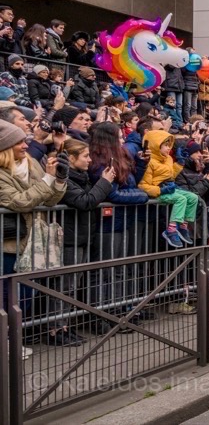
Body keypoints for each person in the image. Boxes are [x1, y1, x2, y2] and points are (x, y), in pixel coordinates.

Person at [0, 120, 72, 344]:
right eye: (20, 142)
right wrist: (47, 180)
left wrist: (59, 179)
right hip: (9, 243)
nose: (25, 145)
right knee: (6, 298)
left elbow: (49, 201)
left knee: (26, 296)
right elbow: (20, 201)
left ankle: (13, 340)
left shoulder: (31, 163)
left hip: (31, 242)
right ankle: (6, 345)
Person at [59, 139, 122, 335]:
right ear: (71, 158)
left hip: (83, 236)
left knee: (73, 283)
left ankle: (63, 325)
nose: (89, 160)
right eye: (85, 156)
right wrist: (104, 182)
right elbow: (86, 201)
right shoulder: (65, 180)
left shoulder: (81, 176)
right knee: (65, 285)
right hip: (71, 238)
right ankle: (56, 328)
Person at [138, 130, 199, 248]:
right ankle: (171, 230)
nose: (168, 148)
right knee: (180, 199)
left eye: (169, 145)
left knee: (193, 197)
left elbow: (171, 176)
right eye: (165, 145)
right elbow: (143, 185)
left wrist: (180, 162)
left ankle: (183, 226)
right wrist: (161, 190)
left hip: (169, 187)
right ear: (156, 145)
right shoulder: (149, 161)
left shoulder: (168, 159)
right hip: (158, 191)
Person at [182, 48, 200, 121]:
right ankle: (188, 121)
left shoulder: (196, 64)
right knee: (188, 106)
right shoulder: (184, 62)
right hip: (188, 86)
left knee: (194, 107)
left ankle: (194, 121)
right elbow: (182, 71)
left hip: (195, 86)